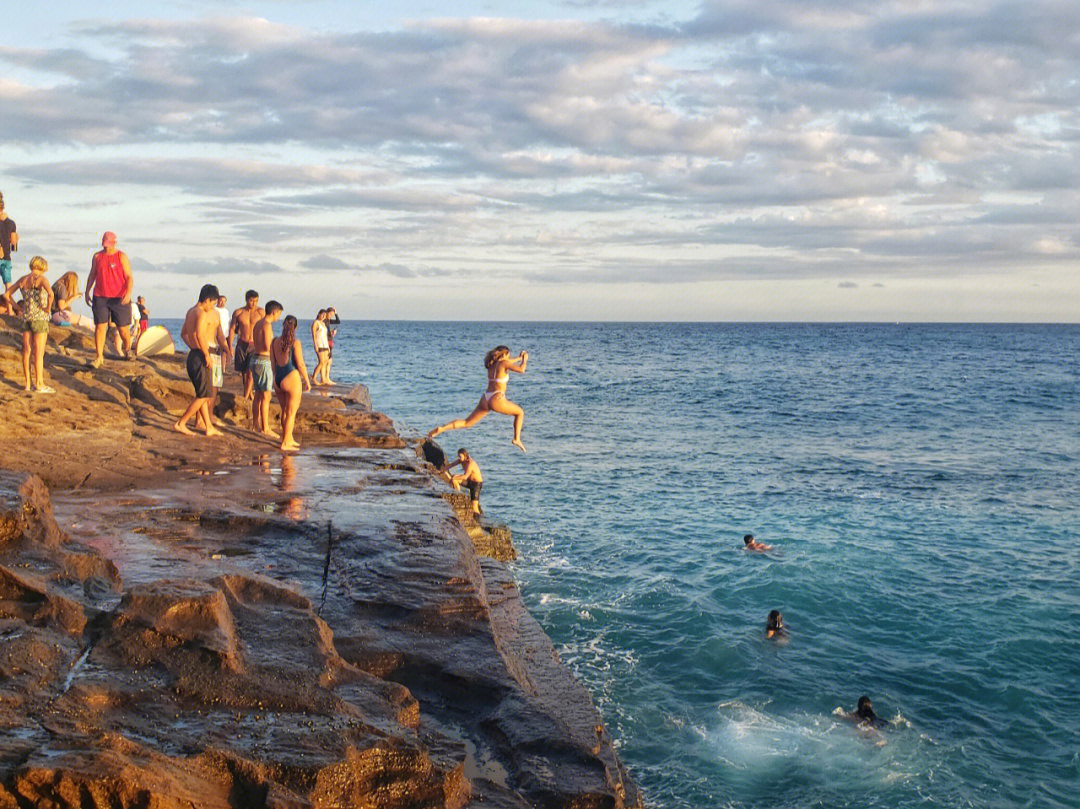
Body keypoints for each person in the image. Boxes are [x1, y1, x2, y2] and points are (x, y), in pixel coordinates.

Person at [428, 345, 529, 452]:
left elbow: (507, 362)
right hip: (497, 398)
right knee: (520, 413)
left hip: (486, 398)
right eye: (509, 355)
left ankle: (442, 428)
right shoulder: (504, 364)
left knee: (467, 422)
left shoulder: (492, 365)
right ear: (504, 354)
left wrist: (518, 358)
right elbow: (521, 370)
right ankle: (516, 438)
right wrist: (525, 360)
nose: (510, 358)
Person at [174, 284, 230, 437]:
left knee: (203, 392)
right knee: (205, 395)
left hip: (194, 354)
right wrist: (205, 354)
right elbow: (200, 334)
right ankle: (181, 423)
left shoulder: (190, 311)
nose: (213, 306)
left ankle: (208, 427)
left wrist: (193, 347)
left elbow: (184, 334)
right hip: (200, 356)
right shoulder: (201, 313)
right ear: (207, 300)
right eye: (213, 303)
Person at [3, 256, 54, 393]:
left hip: (27, 318)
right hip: (40, 318)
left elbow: (7, 295)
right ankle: (39, 384)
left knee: (27, 351)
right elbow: (50, 293)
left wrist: (17, 308)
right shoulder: (42, 279)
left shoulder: (23, 279)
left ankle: (27, 384)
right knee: (39, 353)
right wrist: (48, 308)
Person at [85, 231, 134, 367]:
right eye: (104, 245)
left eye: (109, 245)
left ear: (114, 243)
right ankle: (99, 356)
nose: (106, 247)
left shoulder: (121, 256)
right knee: (100, 326)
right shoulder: (97, 256)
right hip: (100, 296)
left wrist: (129, 293)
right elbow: (92, 274)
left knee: (123, 328)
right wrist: (87, 290)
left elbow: (129, 277)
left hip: (119, 297)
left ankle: (128, 349)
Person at [271, 314, 311, 451]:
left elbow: (272, 363)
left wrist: (275, 377)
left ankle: (288, 438)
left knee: (284, 411)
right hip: (291, 377)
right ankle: (285, 443)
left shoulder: (274, 341)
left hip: (277, 378)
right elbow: (300, 364)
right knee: (291, 412)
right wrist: (307, 380)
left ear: (283, 325)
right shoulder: (295, 343)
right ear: (296, 327)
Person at [251, 300, 283, 437]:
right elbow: (266, 345)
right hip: (263, 360)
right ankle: (265, 427)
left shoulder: (258, 323)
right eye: (279, 314)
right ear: (274, 312)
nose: (279, 317)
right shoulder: (267, 325)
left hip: (255, 359)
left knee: (258, 394)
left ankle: (255, 424)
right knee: (266, 395)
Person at [228, 289, 264, 401]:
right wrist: (230, 346)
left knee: (250, 372)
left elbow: (266, 328)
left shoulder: (261, 312)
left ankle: (245, 397)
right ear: (246, 300)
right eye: (252, 301)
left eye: (256, 301)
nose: (254, 304)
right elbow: (232, 329)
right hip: (242, 344)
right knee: (244, 373)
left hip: (255, 344)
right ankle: (249, 394)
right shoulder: (238, 312)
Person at [442, 448, 484, 516]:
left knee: (474, 506)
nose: (459, 458)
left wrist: (454, 477)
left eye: (460, 456)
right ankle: (459, 495)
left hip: (476, 484)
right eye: (458, 456)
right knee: (455, 479)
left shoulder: (470, 463)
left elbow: (465, 477)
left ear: (465, 455)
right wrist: (442, 470)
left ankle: (479, 520)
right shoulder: (461, 460)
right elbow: (452, 464)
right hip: (469, 481)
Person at [0, 193, 17, 316]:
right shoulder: (11, 223)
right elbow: (14, 243)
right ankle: (10, 311)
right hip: (6, 257)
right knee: (8, 285)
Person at [311, 309, 330, 385]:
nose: (323, 317)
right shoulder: (316, 323)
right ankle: (314, 378)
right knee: (321, 362)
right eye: (322, 315)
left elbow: (325, 336)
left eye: (325, 316)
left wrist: (328, 346)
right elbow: (314, 335)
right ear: (319, 314)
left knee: (325, 362)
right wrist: (315, 344)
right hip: (319, 344)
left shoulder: (323, 323)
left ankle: (323, 379)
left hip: (325, 344)